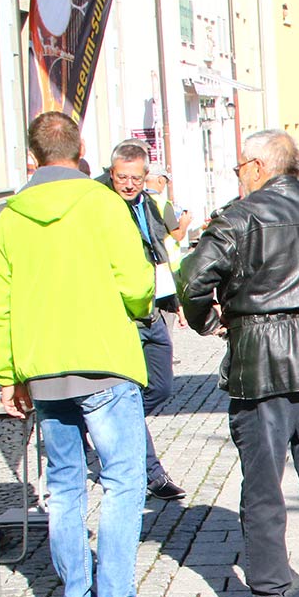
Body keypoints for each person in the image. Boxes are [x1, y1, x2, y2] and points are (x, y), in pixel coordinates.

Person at [0, 112, 179, 597]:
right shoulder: (104, 205)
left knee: (64, 489)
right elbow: (138, 283)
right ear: (81, 148)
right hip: (104, 360)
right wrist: (134, 309)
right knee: (122, 483)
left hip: (42, 368)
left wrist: (7, 373)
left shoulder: (11, 217)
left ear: (32, 155)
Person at [179, 129, 299, 597]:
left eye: (242, 164)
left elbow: (192, 282)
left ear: (259, 167)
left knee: (263, 484)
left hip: (263, 359)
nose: (238, 173)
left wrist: (208, 321)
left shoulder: (239, 217)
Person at [101, 142, 186, 501]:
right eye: (123, 177)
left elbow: (160, 251)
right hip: (121, 313)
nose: (129, 184)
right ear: (111, 173)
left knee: (160, 389)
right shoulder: (101, 205)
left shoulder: (147, 202)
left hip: (153, 306)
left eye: (136, 178)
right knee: (129, 394)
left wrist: (176, 298)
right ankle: (151, 473)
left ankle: (108, 425)